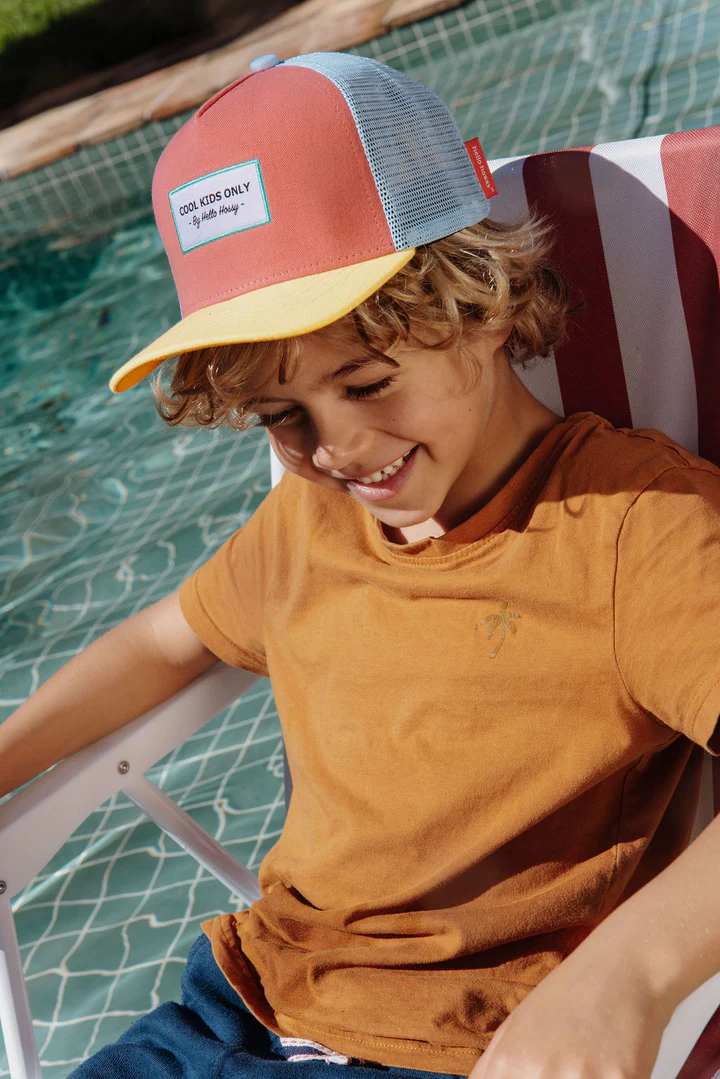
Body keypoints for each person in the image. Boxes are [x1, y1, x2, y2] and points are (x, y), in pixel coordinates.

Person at [2, 50, 720, 1079]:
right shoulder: (307, 522)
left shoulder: (627, 526)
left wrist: (630, 976)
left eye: (369, 381)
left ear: (489, 301)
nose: (336, 449)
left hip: (448, 1042)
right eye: (281, 414)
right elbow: (166, 642)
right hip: (235, 1008)